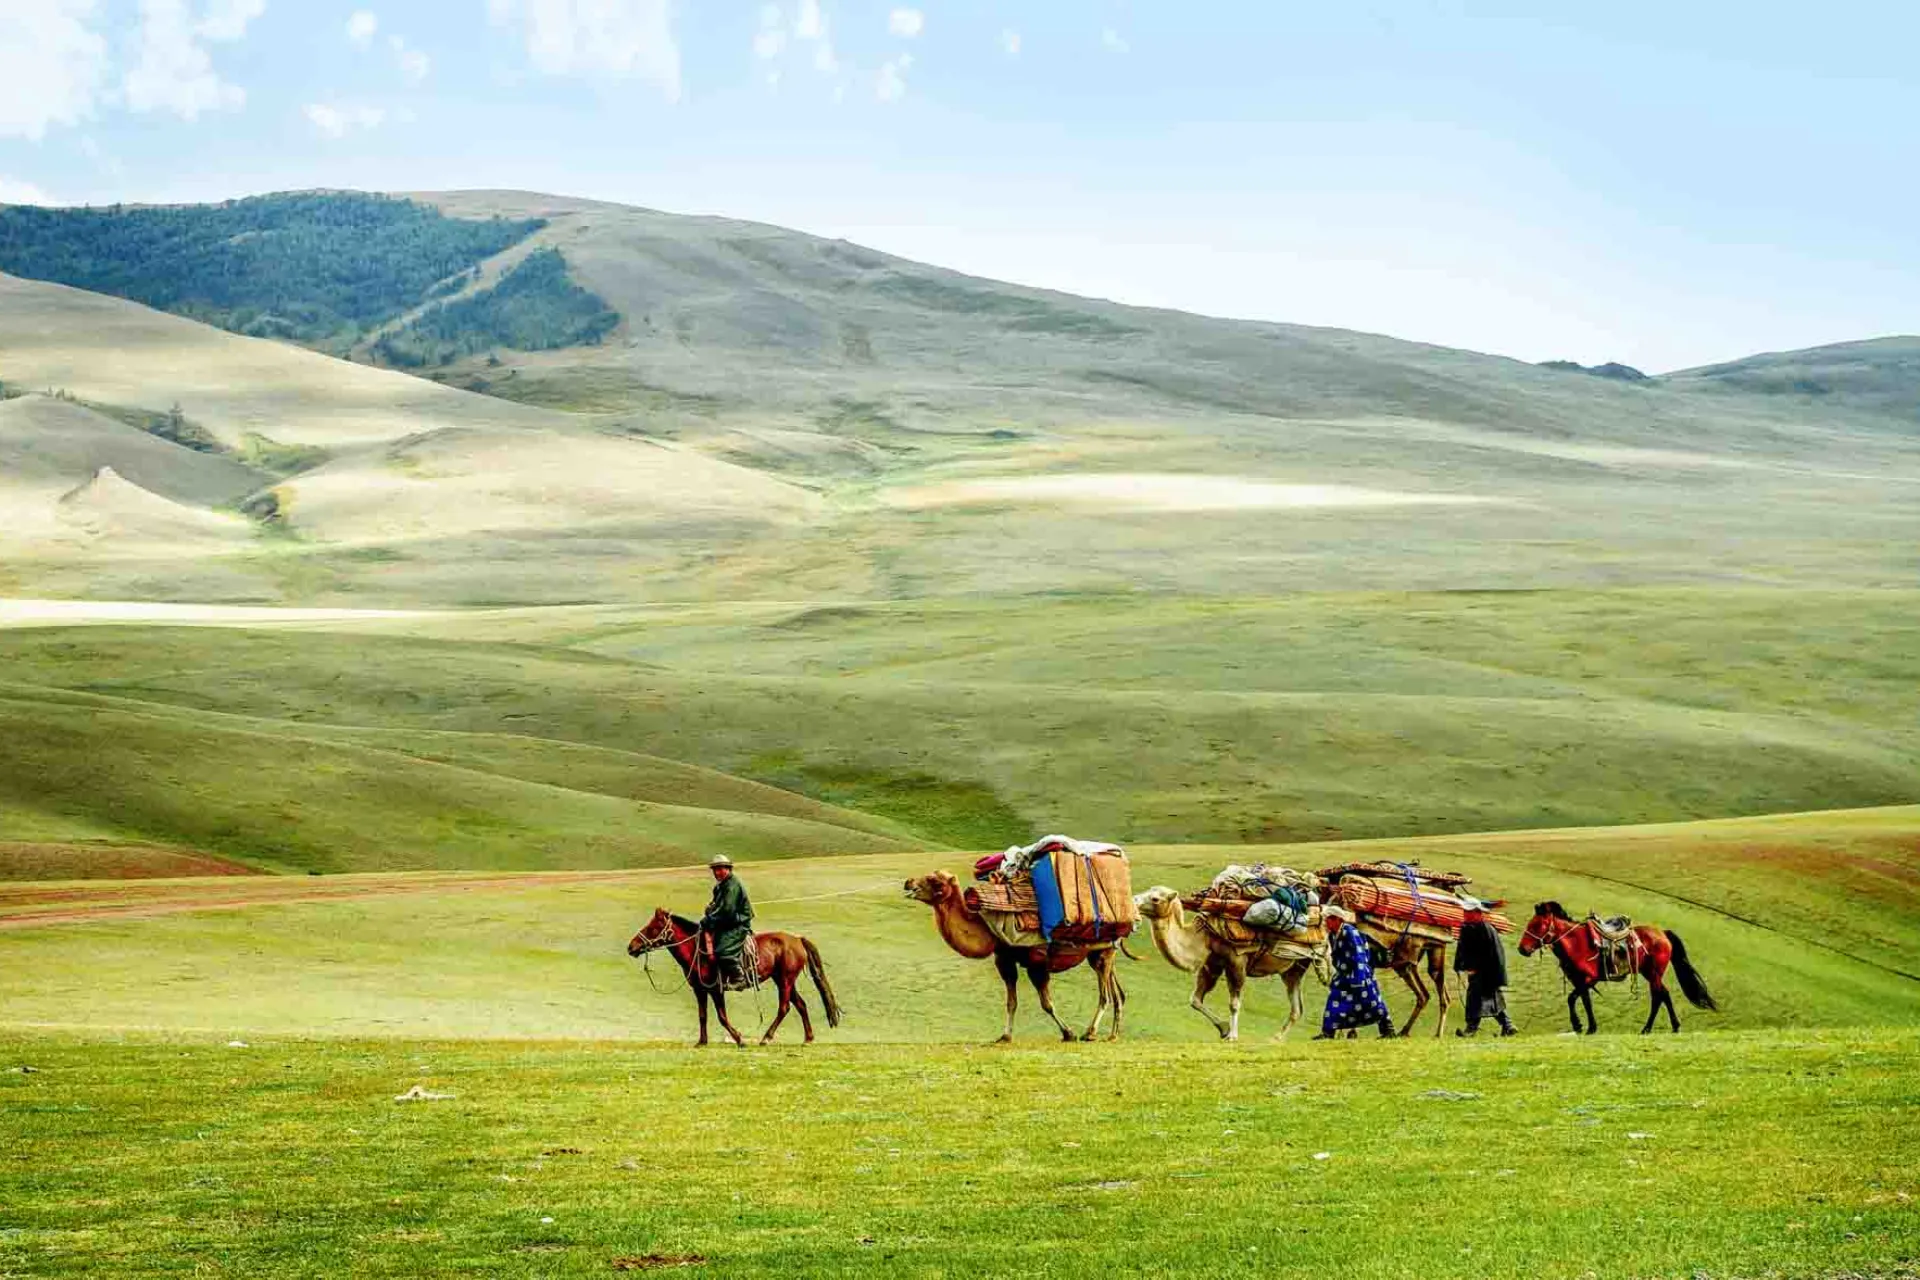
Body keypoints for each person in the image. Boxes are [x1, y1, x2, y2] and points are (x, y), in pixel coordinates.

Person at [1315, 905, 1395, 1040]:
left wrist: (1359, 978)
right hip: (1344, 977)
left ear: (1336, 920)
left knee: (1373, 1003)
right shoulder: (1335, 934)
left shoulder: (1350, 932)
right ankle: (1328, 1032)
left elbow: (1359, 955)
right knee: (1334, 1001)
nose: (1325, 923)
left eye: (1327, 920)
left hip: (1359, 975)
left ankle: (1388, 1030)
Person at [1453, 896, 1517, 1037]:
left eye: (1468, 912)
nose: (1465, 914)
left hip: (1485, 973)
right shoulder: (1470, 928)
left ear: (1478, 912)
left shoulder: (1484, 929)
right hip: (1481, 972)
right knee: (1492, 999)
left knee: (1475, 998)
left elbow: (1489, 954)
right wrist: (1459, 966)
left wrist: (1473, 968)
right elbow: (1464, 949)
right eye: (1465, 911)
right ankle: (1508, 1025)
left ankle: (1471, 1029)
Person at [700, 854, 754, 987]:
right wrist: (710, 909)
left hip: (738, 922)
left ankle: (739, 978)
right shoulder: (720, 886)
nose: (717, 873)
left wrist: (709, 919)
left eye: (720, 869)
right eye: (715, 870)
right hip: (726, 921)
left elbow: (727, 911)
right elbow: (717, 906)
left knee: (722, 950)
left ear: (728, 869)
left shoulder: (732, 886)